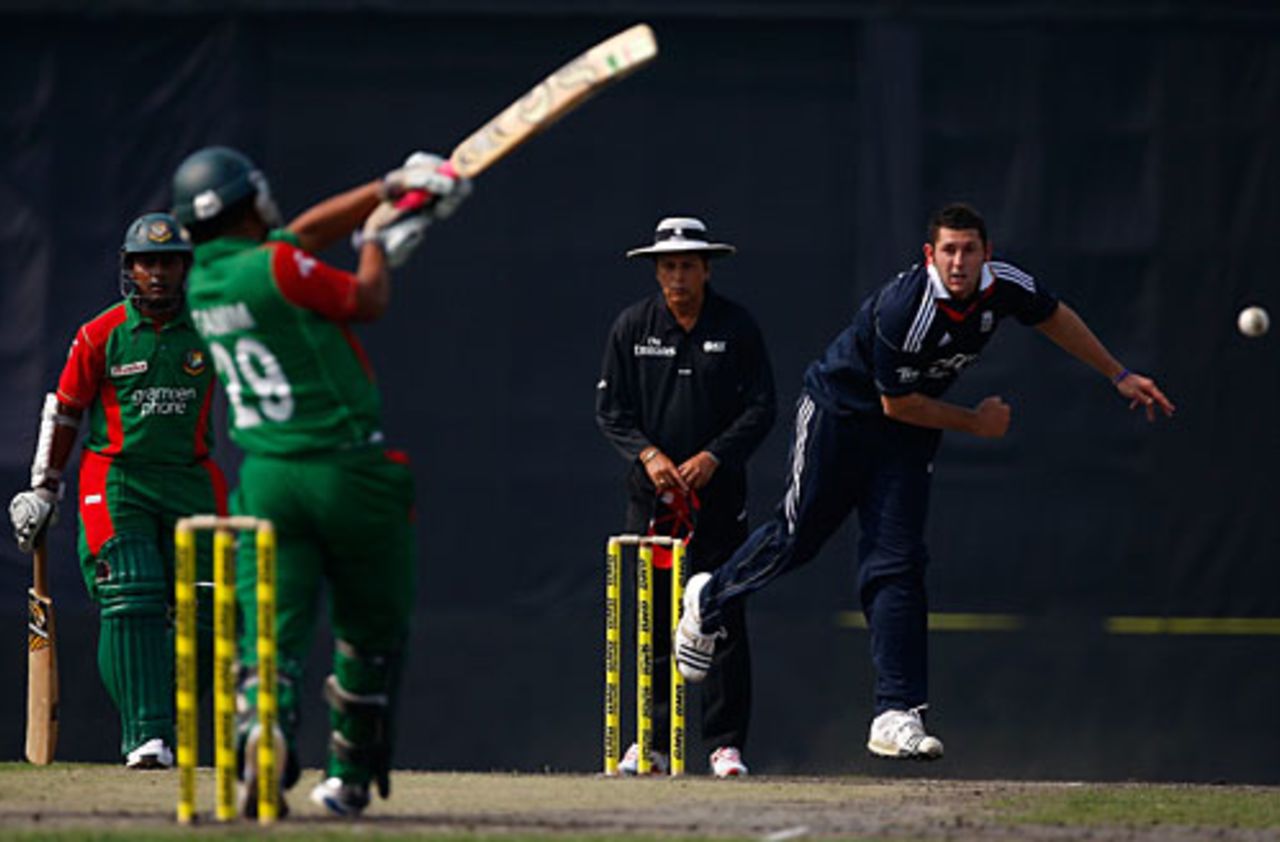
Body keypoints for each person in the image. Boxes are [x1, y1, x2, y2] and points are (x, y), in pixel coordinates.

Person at [673, 203, 1175, 760]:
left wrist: (1119, 374)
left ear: (987, 254)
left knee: (898, 562)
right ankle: (709, 595)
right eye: (950, 251)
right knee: (799, 536)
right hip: (843, 414)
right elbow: (897, 403)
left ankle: (896, 711)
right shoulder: (904, 308)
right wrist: (976, 423)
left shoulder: (1003, 286)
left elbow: (1053, 315)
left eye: (970, 250)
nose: (960, 262)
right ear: (930, 256)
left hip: (906, 435)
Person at [171, 145, 470, 817]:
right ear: (248, 204)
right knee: (369, 627)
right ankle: (347, 778)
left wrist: (384, 187)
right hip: (347, 473)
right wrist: (381, 244)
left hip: (268, 479)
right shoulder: (275, 267)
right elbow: (366, 299)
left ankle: (262, 728)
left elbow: (298, 239)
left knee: (270, 633)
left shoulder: (204, 283)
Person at [8, 212, 228, 769]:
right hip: (118, 480)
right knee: (132, 591)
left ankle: (171, 719)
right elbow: (65, 409)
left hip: (191, 477)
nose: (158, 273)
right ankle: (145, 737)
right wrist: (44, 489)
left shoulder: (212, 329)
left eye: (169, 262)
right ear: (129, 269)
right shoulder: (101, 333)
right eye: (147, 263)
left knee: (209, 605)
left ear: (186, 268)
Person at [596, 217, 776, 777]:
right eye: (668, 266)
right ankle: (646, 742)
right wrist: (650, 457)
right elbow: (611, 411)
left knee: (720, 615)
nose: (677, 276)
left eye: (687, 266)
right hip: (653, 504)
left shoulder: (737, 326)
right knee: (652, 618)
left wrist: (713, 456)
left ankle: (725, 745)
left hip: (719, 501)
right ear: (657, 269)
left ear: (706, 269)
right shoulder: (632, 326)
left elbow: (762, 408)